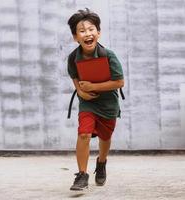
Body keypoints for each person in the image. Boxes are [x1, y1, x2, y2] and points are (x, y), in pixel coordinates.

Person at [67, 8, 124, 191]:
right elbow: (74, 75)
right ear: (76, 37)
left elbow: (119, 81)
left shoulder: (109, 55)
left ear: (98, 33)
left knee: (105, 138)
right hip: (88, 103)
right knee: (83, 133)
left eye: (91, 29)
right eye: (82, 31)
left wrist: (93, 87)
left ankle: (101, 162)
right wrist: (81, 92)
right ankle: (82, 175)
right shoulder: (73, 58)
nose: (87, 34)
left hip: (108, 104)